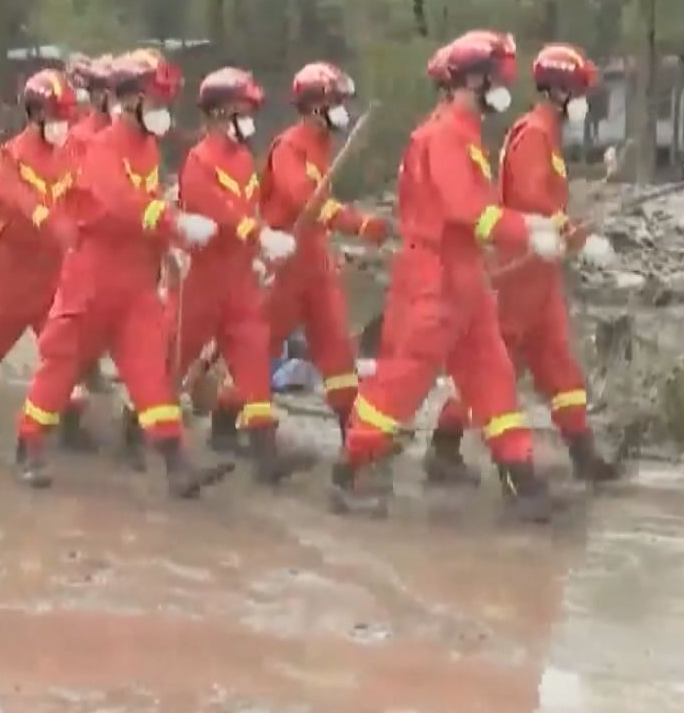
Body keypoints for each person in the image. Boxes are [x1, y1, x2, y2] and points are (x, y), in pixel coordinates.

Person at [328, 30, 563, 522]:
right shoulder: (442, 137)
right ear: (469, 80)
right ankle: (352, 469)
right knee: (402, 381)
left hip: (466, 278)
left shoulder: (466, 135)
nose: (502, 85)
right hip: (432, 279)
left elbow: (483, 209)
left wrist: (538, 224)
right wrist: (526, 232)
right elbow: (465, 209)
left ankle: (521, 475)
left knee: (493, 377)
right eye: (495, 77)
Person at [12, 48, 234, 497]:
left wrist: (175, 243)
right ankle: (29, 444)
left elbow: (147, 209)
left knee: (149, 371)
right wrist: (173, 223)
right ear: (129, 101)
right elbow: (116, 202)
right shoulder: (95, 145)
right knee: (63, 364)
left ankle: (177, 464)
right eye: (154, 102)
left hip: (136, 279)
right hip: (93, 276)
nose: (161, 112)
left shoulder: (147, 148)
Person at [211, 61, 390, 448]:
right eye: (336, 102)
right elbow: (306, 201)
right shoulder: (290, 147)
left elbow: (320, 205)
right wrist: (357, 223)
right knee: (259, 349)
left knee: (337, 349)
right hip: (284, 260)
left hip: (316, 263)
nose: (342, 110)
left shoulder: (322, 146)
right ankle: (226, 423)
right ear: (314, 107)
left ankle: (353, 438)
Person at [164, 67, 314, 486]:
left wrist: (259, 252)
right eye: (240, 110)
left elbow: (247, 210)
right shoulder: (199, 159)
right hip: (202, 279)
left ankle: (266, 452)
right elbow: (217, 210)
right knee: (174, 359)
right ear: (218, 112)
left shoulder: (244, 159)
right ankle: (139, 428)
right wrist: (260, 235)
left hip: (239, 280)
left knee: (252, 360)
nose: (246, 119)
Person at [491, 42, 620, 484]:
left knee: (558, 362)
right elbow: (529, 199)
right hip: (520, 265)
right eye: (580, 91)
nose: (585, 101)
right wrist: (569, 230)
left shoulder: (547, 133)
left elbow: (547, 204)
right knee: (495, 363)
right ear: (562, 91)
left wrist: (572, 232)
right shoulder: (534, 133)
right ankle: (446, 446)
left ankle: (584, 455)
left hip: (542, 271)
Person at [0, 68, 94, 447]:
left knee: (62, 343)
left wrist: (85, 226)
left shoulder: (72, 153)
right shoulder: (11, 154)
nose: (63, 124)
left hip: (53, 269)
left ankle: (65, 417)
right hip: (14, 267)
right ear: (35, 113)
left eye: (68, 116)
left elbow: (82, 194)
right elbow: (17, 200)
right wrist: (51, 221)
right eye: (56, 116)